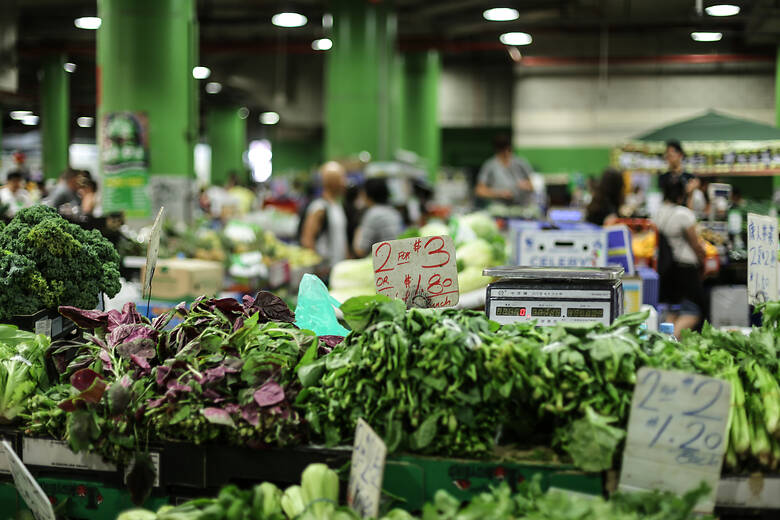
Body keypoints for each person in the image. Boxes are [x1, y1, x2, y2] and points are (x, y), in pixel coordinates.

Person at [654, 178, 708, 336]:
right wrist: (703, 257)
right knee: (693, 311)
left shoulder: (659, 212)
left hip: (668, 268)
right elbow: (696, 244)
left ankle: (664, 343)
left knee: (673, 310)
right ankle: (674, 342)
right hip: (686, 268)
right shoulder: (684, 214)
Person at [300, 161, 349, 265]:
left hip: (337, 268)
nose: (345, 182)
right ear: (332, 182)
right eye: (342, 178)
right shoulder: (319, 208)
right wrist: (318, 267)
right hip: (325, 271)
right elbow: (307, 240)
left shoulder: (336, 205)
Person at [475, 134, 534, 206]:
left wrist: (526, 185)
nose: (506, 153)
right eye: (502, 151)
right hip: (499, 208)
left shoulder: (520, 163)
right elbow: (479, 190)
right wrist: (499, 194)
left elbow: (533, 185)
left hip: (522, 207)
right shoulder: (490, 166)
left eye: (508, 150)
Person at [353, 178, 403, 257]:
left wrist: (358, 228)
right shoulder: (394, 212)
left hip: (381, 263)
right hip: (396, 259)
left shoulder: (373, 214)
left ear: (368, 195)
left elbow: (361, 250)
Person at [659, 140, 700, 209]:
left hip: (685, 213)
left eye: (671, 155)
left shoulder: (690, 178)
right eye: (667, 155)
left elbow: (690, 198)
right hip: (668, 213)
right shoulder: (663, 177)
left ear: (680, 155)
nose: (669, 158)